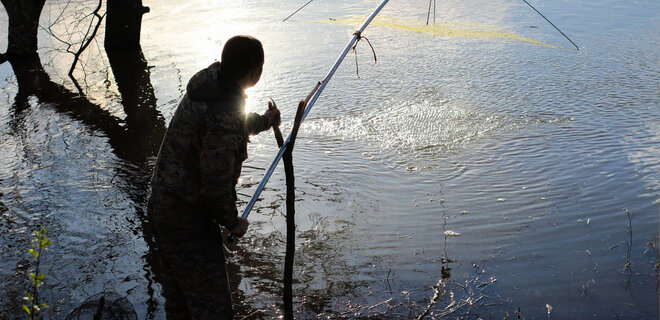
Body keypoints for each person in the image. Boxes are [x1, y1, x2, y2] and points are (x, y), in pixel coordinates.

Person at [146, 35, 279, 319]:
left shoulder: (211, 84)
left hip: (162, 205)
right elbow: (214, 185)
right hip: (186, 220)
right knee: (213, 308)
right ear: (256, 72)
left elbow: (235, 121)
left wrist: (266, 121)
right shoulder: (225, 111)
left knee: (179, 302)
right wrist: (233, 221)